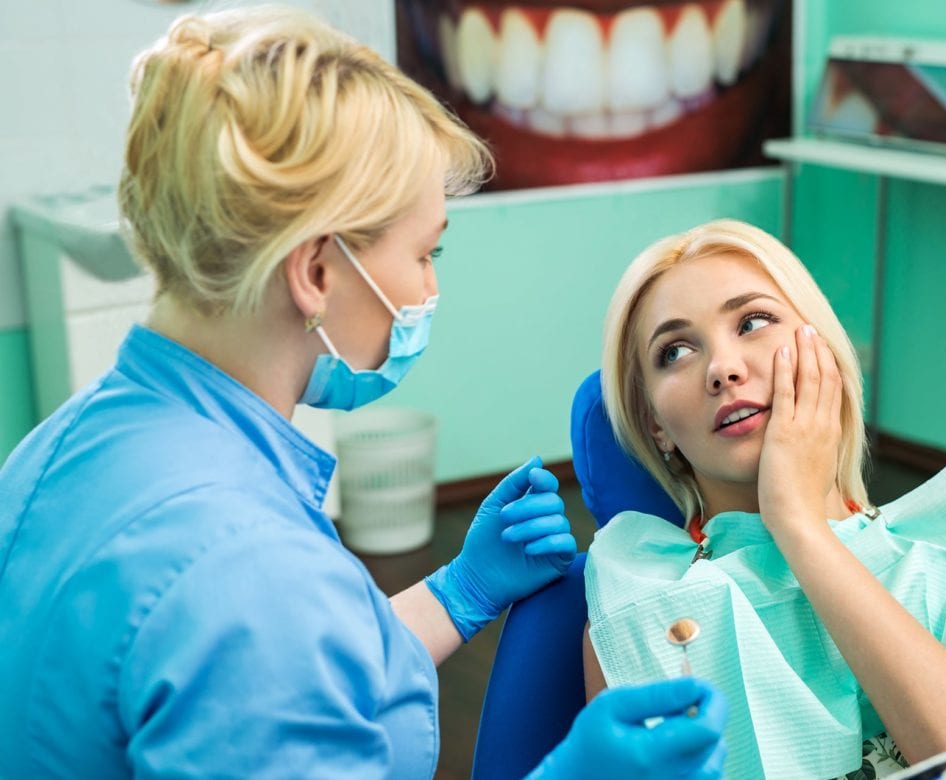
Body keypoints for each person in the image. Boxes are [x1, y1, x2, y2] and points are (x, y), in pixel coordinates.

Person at [0, 8, 726, 779]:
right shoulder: (248, 571)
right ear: (316, 272)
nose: (429, 289)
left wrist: (461, 590)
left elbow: (280, 684)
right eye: (424, 253)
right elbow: (266, 639)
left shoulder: (64, 445)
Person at [582, 219, 946, 778]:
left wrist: (800, 528)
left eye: (753, 321)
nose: (723, 369)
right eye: (675, 351)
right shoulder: (635, 609)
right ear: (655, 425)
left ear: (823, 349)